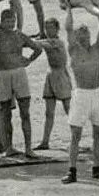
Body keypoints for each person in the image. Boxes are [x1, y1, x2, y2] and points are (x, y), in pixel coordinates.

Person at [62, 7, 99, 183]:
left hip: (98, 93)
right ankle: (72, 171)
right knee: (75, 134)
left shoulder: (98, 48)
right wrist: (69, 9)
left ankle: (97, 168)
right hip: (81, 95)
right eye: (81, 35)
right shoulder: (73, 50)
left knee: (98, 133)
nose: (84, 37)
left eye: (86, 34)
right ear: (76, 38)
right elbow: (68, 28)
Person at [0, 8, 43, 158]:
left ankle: (28, 148)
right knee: (6, 113)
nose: (10, 24)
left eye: (12, 20)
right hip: (3, 74)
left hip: (19, 72)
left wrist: (29, 60)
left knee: (25, 112)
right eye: (7, 21)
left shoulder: (19, 35)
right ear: (2, 22)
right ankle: (9, 147)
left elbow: (38, 48)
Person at [35, 16, 72, 151]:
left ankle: (77, 139)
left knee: (69, 109)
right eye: (47, 28)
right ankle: (45, 141)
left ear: (57, 29)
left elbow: (38, 44)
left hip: (61, 76)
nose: (49, 30)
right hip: (50, 75)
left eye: (51, 27)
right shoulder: (48, 41)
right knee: (49, 112)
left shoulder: (58, 42)